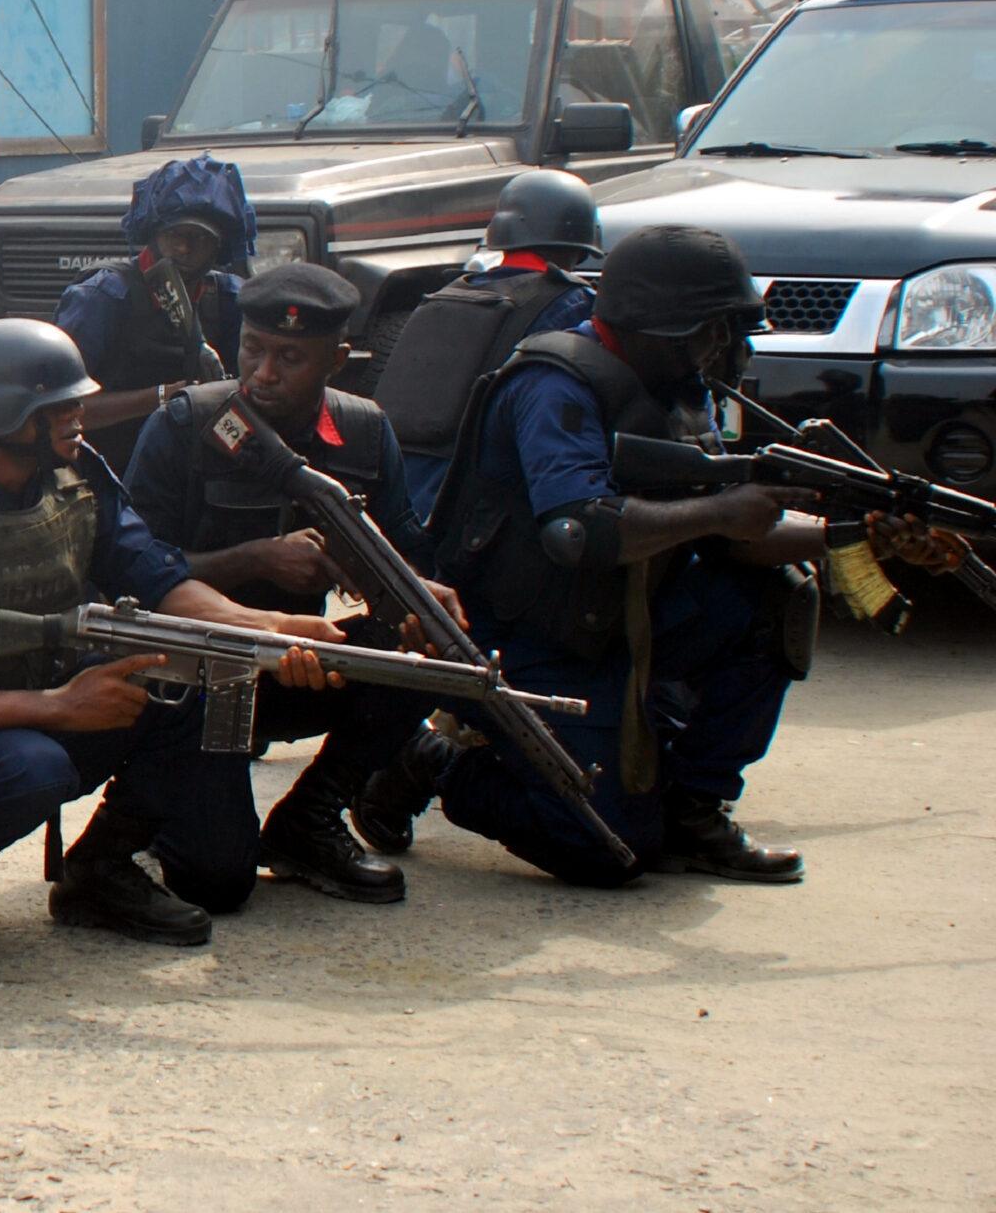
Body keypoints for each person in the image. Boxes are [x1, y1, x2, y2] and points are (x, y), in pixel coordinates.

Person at [369, 227, 962, 887]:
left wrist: (852, 533)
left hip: (620, 615)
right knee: (609, 849)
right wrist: (720, 512)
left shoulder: (679, 387)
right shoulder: (554, 381)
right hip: (524, 635)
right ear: (659, 327)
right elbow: (577, 531)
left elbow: (737, 536)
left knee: (780, 593)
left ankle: (694, 807)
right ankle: (438, 762)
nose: (721, 348)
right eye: (709, 331)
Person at [0, 318, 346, 950]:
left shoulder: (73, 474)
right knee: (32, 770)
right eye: (59, 407)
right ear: (2, 416)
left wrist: (273, 629)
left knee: (192, 678)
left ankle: (101, 867)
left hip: (45, 701)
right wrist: (59, 707)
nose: (78, 416)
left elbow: (159, 579)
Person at [123, 264, 461, 905]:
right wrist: (254, 561)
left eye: (290, 358)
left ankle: (310, 818)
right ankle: (156, 806)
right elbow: (128, 570)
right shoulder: (188, 425)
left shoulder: (363, 432)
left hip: (300, 668)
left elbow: (408, 554)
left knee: (425, 644)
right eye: (252, 348)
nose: (264, 373)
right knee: (216, 881)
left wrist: (412, 591)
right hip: (193, 682)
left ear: (336, 361)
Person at [375, 169, 602, 517]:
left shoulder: (449, 291)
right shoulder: (572, 304)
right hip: (471, 517)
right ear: (581, 241)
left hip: (394, 504)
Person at [56, 155, 250, 467]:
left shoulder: (230, 298)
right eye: (175, 236)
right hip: (110, 469)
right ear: (154, 236)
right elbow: (60, 411)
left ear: (217, 248)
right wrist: (164, 397)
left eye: (199, 239)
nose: (184, 249)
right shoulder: (103, 297)